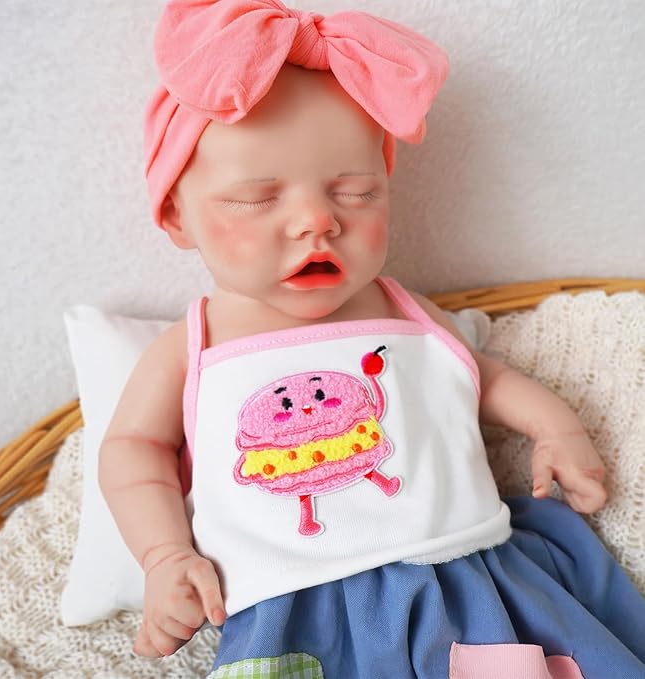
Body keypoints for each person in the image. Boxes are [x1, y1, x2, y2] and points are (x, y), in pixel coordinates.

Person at [98, 2, 645, 677]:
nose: (316, 221)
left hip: (466, 580)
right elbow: (133, 448)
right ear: (177, 215)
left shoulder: (402, 309)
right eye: (258, 198)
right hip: (295, 611)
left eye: (355, 192)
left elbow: (481, 377)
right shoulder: (194, 345)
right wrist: (163, 555)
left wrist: (555, 427)